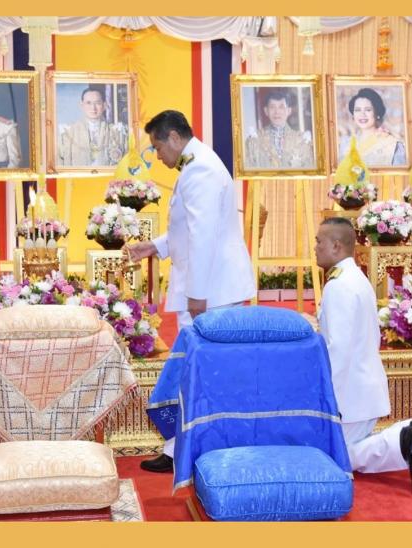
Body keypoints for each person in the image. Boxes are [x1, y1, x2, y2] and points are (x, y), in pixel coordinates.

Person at [127, 110, 256, 473]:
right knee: (198, 370)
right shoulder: (197, 163)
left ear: (173, 137)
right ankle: (182, 447)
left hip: (211, 290)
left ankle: (199, 446)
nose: (157, 156)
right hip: (211, 286)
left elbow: (203, 235)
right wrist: (155, 246)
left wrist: (197, 295)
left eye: (157, 147)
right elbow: (190, 229)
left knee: (207, 371)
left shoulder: (200, 169)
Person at [315, 217, 412, 495]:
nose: (315, 248)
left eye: (319, 242)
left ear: (336, 246)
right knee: (344, 452)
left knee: (330, 460)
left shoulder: (338, 285)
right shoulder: (355, 278)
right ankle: (409, 435)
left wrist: (326, 396)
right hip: (363, 387)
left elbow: (338, 350)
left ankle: (406, 437)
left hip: (349, 393)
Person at [58, 86, 127, 167]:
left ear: (104, 105)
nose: (93, 108)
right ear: (81, 105)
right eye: (88, 103)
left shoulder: (118, 132)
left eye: (97, 103)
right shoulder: (67, 134)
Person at [245, 89, 314, 169]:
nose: (277, 112)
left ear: (289, 111)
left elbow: (308, 171)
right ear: (266, 111)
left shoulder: (301, 140)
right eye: (272, 107)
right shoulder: (254, 141)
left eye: (281, 107)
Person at [339, 88, 406, 167]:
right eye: (357, 110)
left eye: (368, 110)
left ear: (377, 113)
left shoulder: (391, 144)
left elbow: (400, 173)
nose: (362, 114)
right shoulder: (346, 144)